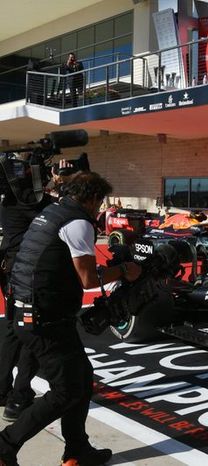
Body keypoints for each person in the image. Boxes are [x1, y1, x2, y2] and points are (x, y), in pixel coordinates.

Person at [0, 172, 141, 466]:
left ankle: (77, 450)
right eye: (99, 201)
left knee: (82, 379)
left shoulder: (51, 212)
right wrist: (125, 270)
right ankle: (5, 445)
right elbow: (88, 278)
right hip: (43, 319)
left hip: (33, 312)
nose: (99, 208)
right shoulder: (77, 222)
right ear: (91, 198)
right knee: (67, 391)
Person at [0, 159, 74, 423]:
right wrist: (62, 186)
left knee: (11, 330)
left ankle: (3, 388)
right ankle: (19, 396)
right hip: (29, 276)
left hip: (12, 271)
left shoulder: (8, 201)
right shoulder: (28, 203)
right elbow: (55, 212)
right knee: (33, 329)